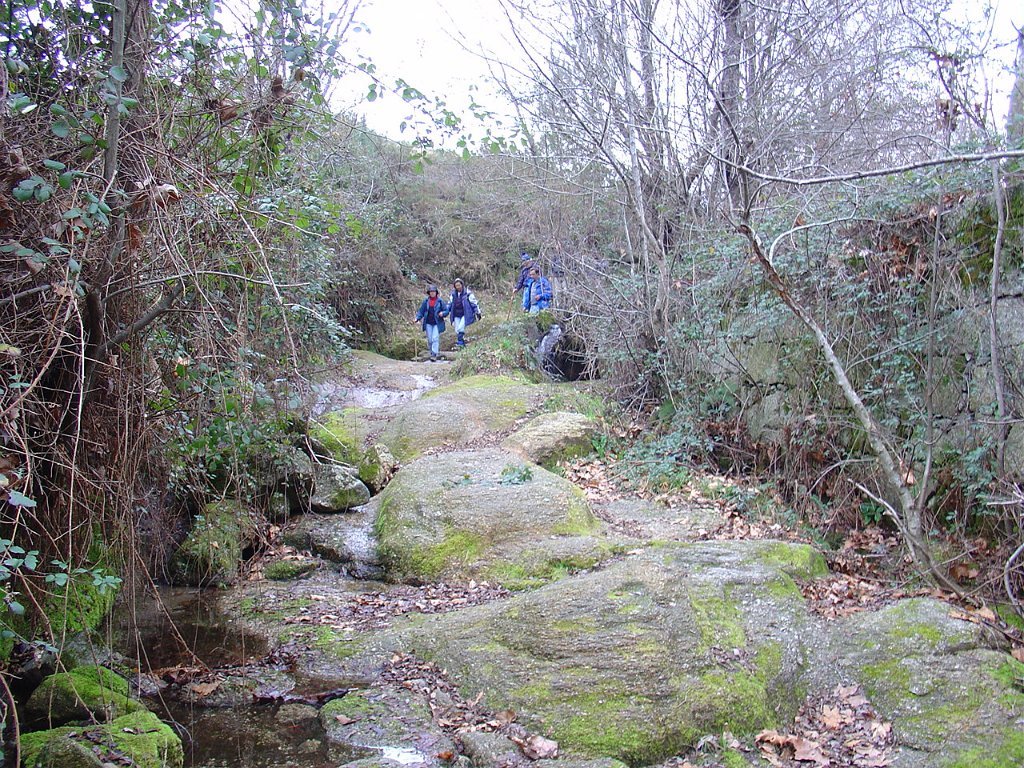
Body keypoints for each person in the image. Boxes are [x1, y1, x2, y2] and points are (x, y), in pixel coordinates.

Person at [412, 285, 448, 361]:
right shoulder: (426, 301)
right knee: (430, 339)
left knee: (435, 338)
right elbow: (421, 311)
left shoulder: (440, 301)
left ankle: (434, 354)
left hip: (437, 323)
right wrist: (417, 318)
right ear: (429, 293)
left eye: (433, 292)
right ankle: (431, 352)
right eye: (431, 292)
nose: (432, 293)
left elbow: (446, 310)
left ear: (436, 292)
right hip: (428, 322)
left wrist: (443, 313)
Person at [448, 278, 482, 347]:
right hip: (456, 314)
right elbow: (450, 304)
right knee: (457, 330)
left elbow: (474, 303)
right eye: (456, 286)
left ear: (462, 285)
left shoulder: (468, 293)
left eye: (459, 285)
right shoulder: (453, 295)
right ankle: (462, 344)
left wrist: (477, 312)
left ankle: (460, 343)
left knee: (461, 328)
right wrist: (445, 311)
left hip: (465, 314)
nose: (458, 287)